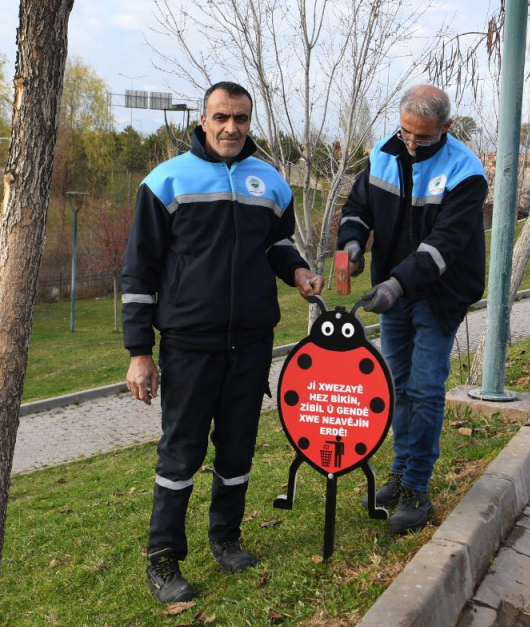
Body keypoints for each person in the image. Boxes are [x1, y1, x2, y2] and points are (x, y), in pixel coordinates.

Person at [122, 81, 323, 603]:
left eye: (240, 118)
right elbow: (139, 271)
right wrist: (139, 353)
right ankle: (163, 559)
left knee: (237, 450)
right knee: (180, 455)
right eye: (221, 118)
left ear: (250, 122)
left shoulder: (271, 183)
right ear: (203, 120)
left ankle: (226, 538)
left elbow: (277, 245)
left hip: (252, 342)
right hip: (189, 344)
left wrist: (298, 270)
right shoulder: (165, 182)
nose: (231, 128)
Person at [337, 84, 488, 535]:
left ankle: (417, 488)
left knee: (424, 389)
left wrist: (397, 285)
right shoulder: (383, 154)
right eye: (405, 132)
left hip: (438, 294)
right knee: (398, 386)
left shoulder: (466, 172)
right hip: (392, 290)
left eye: (422, 137)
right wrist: (352, 242)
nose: (411, 143)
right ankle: (400, 472)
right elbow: (358, 206)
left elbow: (444, 246)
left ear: (446, 127)